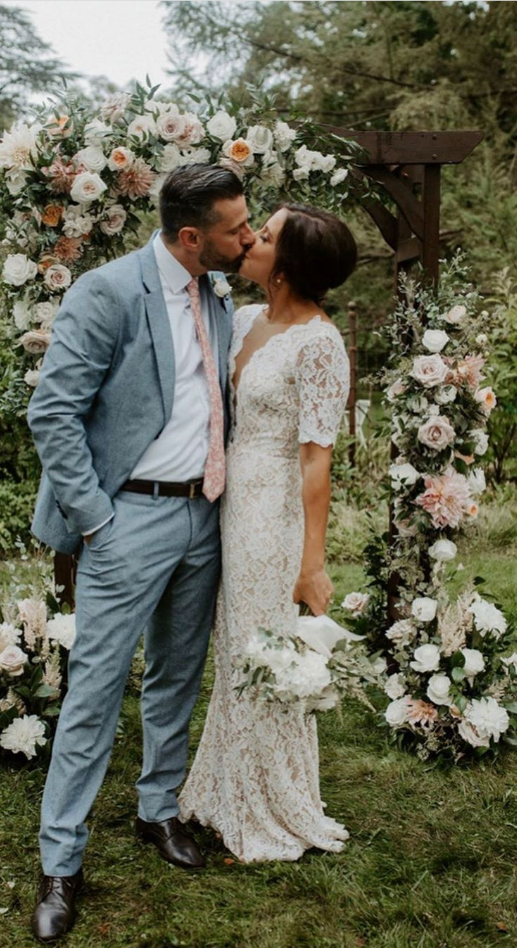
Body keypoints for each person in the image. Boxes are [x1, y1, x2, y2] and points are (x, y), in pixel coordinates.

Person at [26, 164, 255, 942]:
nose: (247, 237)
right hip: (127, 519)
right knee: (94, 693)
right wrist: (97, 521)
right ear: (191, 236)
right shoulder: (108, 292)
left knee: (176, 677)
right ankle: (60, 861)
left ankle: (157, 810)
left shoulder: (216, 294)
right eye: (235, 228)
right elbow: (52, 412)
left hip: (203, 516)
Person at [178, 203, 356, 863]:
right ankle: (227, 786)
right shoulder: (245, 318)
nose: (251, 238)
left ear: (287, 265)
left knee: (262, 651)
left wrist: (312, 564)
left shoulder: (319, 343)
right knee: (232, 649)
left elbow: (316, 459)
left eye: (268, 235)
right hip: (227, 503)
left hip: (272, 515)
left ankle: (269, 802)